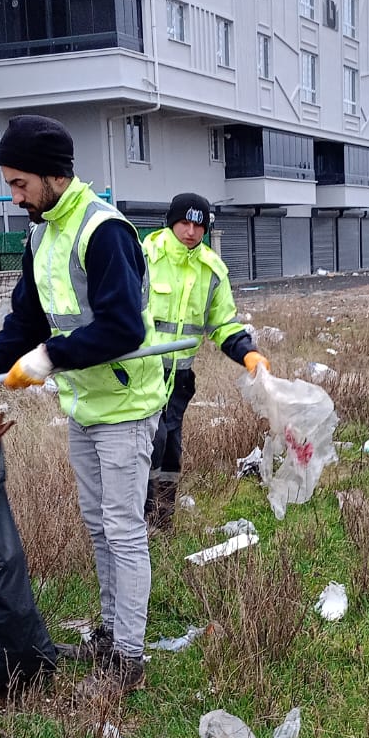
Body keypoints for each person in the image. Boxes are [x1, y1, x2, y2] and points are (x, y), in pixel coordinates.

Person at [0, 115, 163, 697]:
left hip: (125, 403)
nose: (14, 197)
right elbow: (27, 318)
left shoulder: (104, 231)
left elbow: (123, 328)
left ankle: (129, 661)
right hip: (85, 404)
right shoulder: (42, 232)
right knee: (97, 526)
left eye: (20, 184)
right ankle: (112, 634)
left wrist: (48, 359)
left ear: (53, 175)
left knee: (123, 529)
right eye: (10, 184)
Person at [142, 193, 267, 531]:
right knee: (146, 450)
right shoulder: (145, 257)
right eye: (185, 222)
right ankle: (137, 526)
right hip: (141, 377)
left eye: (199, 225)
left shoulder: (211, 269)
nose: (191, 231)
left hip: (178, 382)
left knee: (169, 452)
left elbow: (223, 323)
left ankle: (161, 525)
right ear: (172, 222)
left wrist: (247, 352)